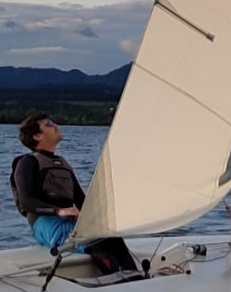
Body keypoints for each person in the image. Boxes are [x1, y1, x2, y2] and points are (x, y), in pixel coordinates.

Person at [10, 111, 139, 276]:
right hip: (45, 223)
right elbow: (26, 201)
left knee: (113, 238)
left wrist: (98, 220)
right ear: (37, 136)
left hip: (70, 221)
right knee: (94, 241)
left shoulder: (62, 163)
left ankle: (136, 279)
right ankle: (117, 282)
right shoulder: (27, 162)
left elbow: (81, 200)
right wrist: (59, 211)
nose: (55, 125)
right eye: (49, 124)